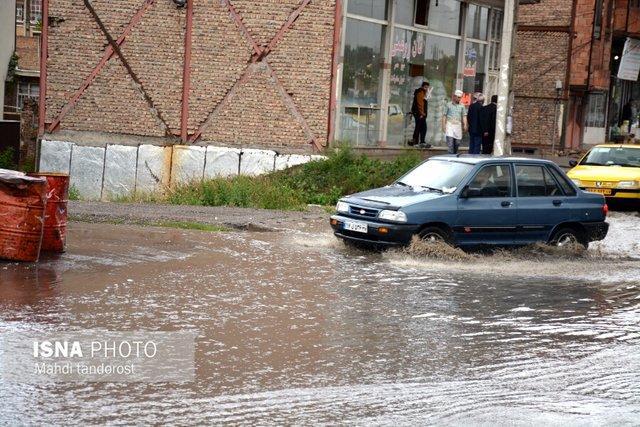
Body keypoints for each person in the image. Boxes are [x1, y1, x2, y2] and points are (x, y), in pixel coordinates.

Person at [442, 89, 467, 154]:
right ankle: (450, 157)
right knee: (450, 143)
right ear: (454, 96)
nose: (459, 99)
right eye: (458, 97)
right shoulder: (448, 105)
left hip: (458, 125)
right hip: (449, 124)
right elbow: (444, 115)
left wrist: (465, 124)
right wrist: (443, 125)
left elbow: (464, 116)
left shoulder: (462, 106)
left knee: (457, 142)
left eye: (460, 97)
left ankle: (454, 154)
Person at [410, 81, 430, 147]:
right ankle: (419, 141)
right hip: (419, 113)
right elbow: (420, 104)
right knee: (422, 127)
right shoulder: (421, 92)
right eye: (426, 87)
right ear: (423, 86)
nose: (426, 89)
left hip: (419, 113)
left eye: (427, 87)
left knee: (419, 127)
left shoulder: (422, 92)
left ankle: (417, 141)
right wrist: (422, 113)